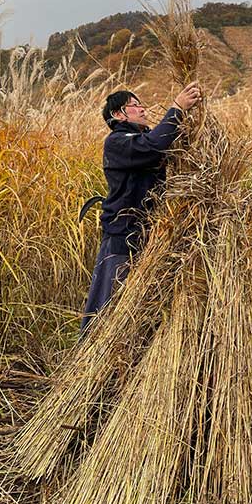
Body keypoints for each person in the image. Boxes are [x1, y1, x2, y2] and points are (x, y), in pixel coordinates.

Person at [81, 81, 201, 331]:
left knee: (140, 305)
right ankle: (95, 354)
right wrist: (177, 107)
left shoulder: (140, 138)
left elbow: (162, 144)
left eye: (141, 105)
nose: (143, 110)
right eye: (135, 106)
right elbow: (155, 146)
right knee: (111, 301)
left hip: (149, 235)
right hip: (123, 236)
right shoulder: (117, 142)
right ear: (117, 115)